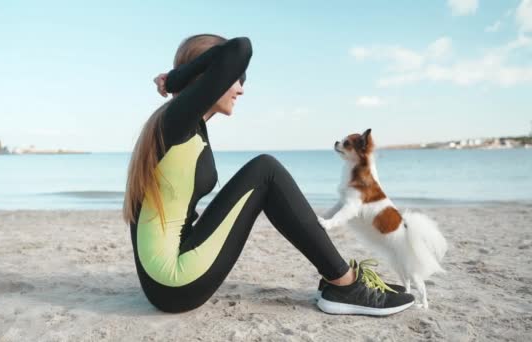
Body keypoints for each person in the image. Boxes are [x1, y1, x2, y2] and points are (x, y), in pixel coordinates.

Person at [123, 34, 415, 315]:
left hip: (168, 273)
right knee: (266, 171)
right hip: (173, 283)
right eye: (237, 77)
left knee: (264, 170)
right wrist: (173, 79)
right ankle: (344, 284)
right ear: (211, 75)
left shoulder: (185, 124)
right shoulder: (177, 120)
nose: (241, 88)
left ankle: (340, 282)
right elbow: (240, 48)